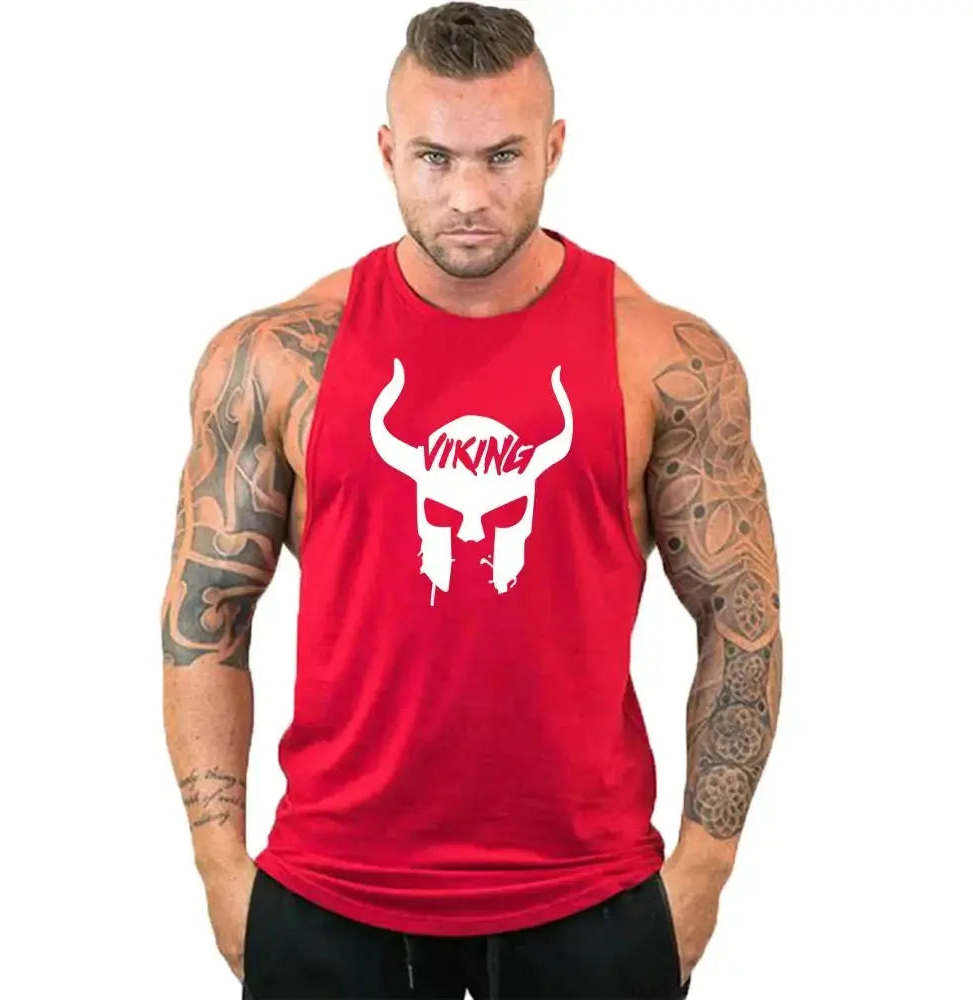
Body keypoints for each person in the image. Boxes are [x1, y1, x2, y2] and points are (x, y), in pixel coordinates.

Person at [161, 3, 783, 997]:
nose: (467, 196)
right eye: (433, 158)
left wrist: (702, 871)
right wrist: (220, 868)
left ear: (554, 148)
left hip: (592, 896)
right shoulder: (277, 357)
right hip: (328, 893)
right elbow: (206, 614)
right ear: (386, 153)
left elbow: (740, 616)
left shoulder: (662, 356)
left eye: (501, 157)